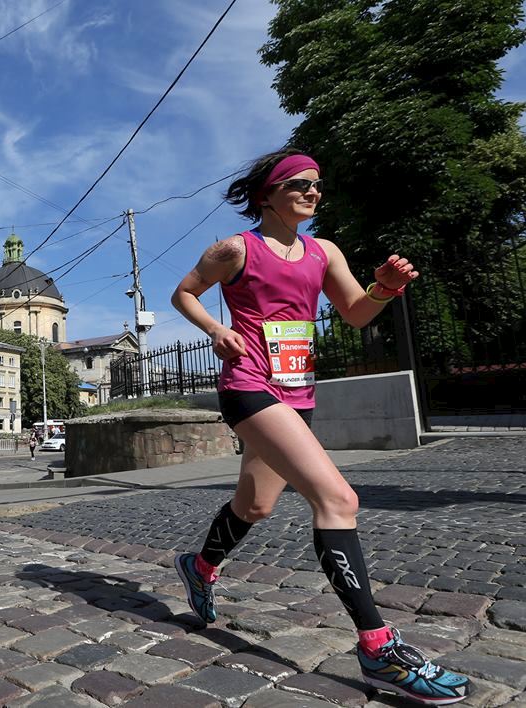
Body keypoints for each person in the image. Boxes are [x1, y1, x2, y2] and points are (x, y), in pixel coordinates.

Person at [170, 149, 470, 706]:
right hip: (249, 386)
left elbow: (355, 311)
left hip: (298, 390)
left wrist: (383, 287)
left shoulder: (323, 250)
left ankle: (200, 564)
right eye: (301, 184)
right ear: (269, 195)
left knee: (256, 505)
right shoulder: (236, 249)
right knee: (338, 498)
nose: (314, 192)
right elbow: (183, 292)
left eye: (319, 186)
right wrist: (215, 328)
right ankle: (379, 647)